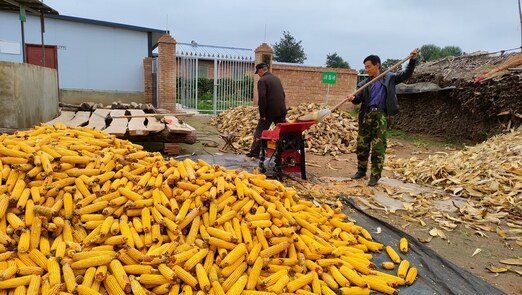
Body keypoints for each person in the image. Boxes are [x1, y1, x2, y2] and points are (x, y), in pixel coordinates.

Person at [348, 48, 419, 186]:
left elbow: (406, 74)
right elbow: (358, 99)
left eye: (368, 67)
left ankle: (375, 176)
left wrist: (412, 60)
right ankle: (361, 170)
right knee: (362, 146)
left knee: (378, 147)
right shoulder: (364, 84)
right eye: (365, 67)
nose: (367, 69)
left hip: (380, 116)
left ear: (377, 65)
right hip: (366, 116)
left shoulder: (389, 78)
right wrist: (353, 98)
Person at [246, 63, 287, 158]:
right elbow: (283, 94)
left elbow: (262, 98)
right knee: (282, 133)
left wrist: (262, 114)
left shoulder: (262, 81)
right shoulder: (276, 79)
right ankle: (284, 152)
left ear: (261, 71)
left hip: (269, 111)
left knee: (260, 132)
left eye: (258, 73)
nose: (259, 75)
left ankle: (254, 153)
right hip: (281, 110)